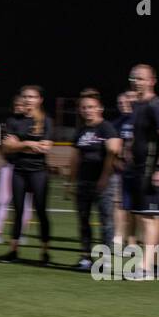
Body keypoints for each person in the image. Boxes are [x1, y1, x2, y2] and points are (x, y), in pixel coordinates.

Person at [121, 65, 159, 277]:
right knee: (147, 217)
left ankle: (144, 268)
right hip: (137, 169)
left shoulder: (156, 105)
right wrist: (129, 149)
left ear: (152, 80)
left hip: (150, 169)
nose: (137, 82)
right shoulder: (137, 105)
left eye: (142, 79)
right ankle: (154, 264)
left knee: (148, 218)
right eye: (134, 78)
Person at [0, 85, 55, 266]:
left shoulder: (46, 121)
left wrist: (20, 143)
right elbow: (7, 147)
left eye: (32, 97)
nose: (28, 100)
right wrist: (30, 144)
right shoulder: (13, 120)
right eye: (25, 97)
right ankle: (14, 250)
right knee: (18, 211)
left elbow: (46, 147)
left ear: (39, 100)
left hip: (39, 172)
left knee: (40, 211)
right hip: (19, 171)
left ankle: (45, 252)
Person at [68, 90, 121, 270]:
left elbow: (113, 152)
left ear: (100, 108)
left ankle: (104, 261)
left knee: (106, 220)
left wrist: (104, 178)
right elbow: (75, 157)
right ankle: (85, 257)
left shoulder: (107, 128)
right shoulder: (81, 130)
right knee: (83, 219)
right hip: (84, 181)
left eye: (91, 107)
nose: (87, 110)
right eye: (84, 107)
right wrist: (70, 181)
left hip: (103, 182)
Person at [0, 94, 33, 244]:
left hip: (27, 167)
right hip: (10, 165)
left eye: (22, 104)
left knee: (25, 202)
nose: (18, 107)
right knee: (2, 200)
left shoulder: (34, 123)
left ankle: (21, 234)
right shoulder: (8, 122)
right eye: (16, 104)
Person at [110, 90, 137, 250]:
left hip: (138, 169)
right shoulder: (118, 122)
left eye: (131, 98)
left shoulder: (143, 119)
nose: (127, 103)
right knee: (118, 203)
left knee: (134, 206)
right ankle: (118, 236)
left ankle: (132, 240)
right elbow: (113, 144)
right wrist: (116, 160)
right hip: (121, 169)